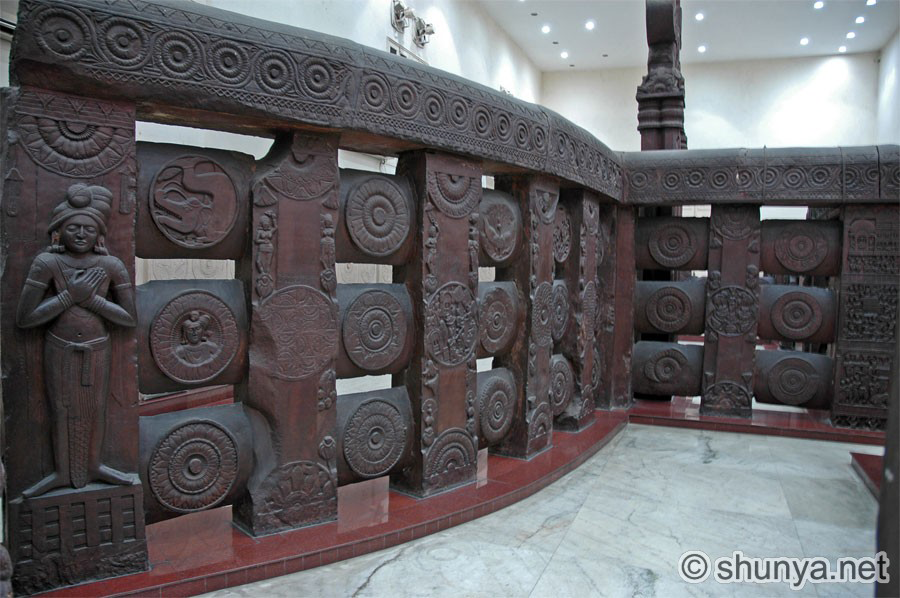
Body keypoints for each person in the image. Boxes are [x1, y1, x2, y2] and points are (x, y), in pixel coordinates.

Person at [16, 184, 136, 498]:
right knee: (61, 408)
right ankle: (59, 472)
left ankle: (95, 465)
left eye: (87, 228)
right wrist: (69, 296)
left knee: (96, 407)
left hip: (97, 347)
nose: (80, 233)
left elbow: (128, 317)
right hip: (60, 347)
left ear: (99, 235)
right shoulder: (48, 263)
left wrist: (92, 301)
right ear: (58, 233)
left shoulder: (111, 266)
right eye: (73, 227)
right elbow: (26, 317)